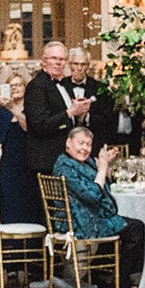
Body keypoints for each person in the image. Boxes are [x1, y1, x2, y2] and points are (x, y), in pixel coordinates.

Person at [53, 127, 145, 288]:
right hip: (81, 221)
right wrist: (102, 168)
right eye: (80, 143)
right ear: (68, 143)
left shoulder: (83, 162)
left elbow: (102, 186)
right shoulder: (65, 168)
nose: (85, 148)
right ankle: (118, 283)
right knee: (136, 228)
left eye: (88, 144)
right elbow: (94, 195)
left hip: (91, 215)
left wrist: (105, 165)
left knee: (133, 224)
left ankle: (118, 277)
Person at [23, 41, 86, 185]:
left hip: (65, 159)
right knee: (52, 206)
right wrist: (70, 112)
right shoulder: (36, 86)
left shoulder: (64, 85)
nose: (58, 63)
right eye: (54, 58)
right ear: (43, 61)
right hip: (47, 161)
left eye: (62, 59)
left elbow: (67, 122)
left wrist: (79, 117)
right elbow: (40, 124)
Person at [0, 74, 36, 226]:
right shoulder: (4, 110)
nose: (15, 88)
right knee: (8, 199)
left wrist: (12, 108)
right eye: (11, 86)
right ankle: (10, 242)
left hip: (27, 162)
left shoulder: (31, 107)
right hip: (8, 163)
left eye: (19, 84)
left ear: (25, 88)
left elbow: (27, 127)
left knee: (27, 201)